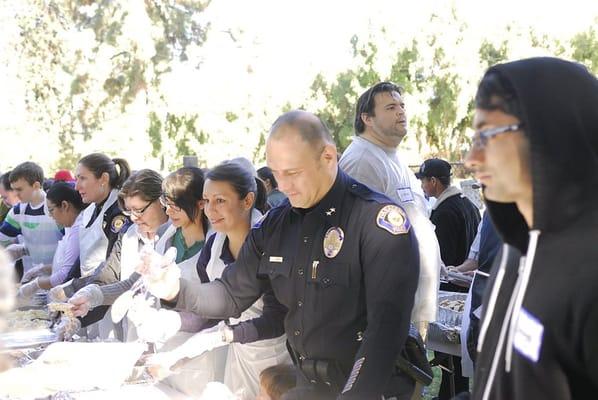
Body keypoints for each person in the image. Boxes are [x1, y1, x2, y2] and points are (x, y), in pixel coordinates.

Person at [141, 110, 420, 400]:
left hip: (370, 388)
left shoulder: (376, 222)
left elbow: (385, 331)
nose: (282, 185)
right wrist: (175, 290)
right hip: (309, 385)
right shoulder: (276, 226)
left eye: (292, 173)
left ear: (328, 157)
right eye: (275, 173)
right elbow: (231, 294)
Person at [461, 57, 598, 400]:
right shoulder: (515, 252)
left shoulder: (589, 274)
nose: (471, 159)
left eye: (487, 135)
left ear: (549, 131)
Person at [153, 160, 289, 399]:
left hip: (273, 360)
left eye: (220, 201)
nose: (210, 210)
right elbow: (214, 305)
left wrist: (219, 336)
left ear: (247, 201)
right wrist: (177, 329)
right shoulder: (213, 245)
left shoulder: (271, 244)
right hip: (237, 354)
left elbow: (275, 320)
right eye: (206, 201)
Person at [339, 82, 441, 340]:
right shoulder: (362, 160)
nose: (401, 112)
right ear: (367, 119)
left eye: (402, 106)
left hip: (411, 306)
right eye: (391, 107)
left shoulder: (393, 157)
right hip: (386, 313)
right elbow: (354, 241)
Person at [50, 153, 130, 339]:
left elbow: (112, 269)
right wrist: (66, 286)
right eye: (76, 178)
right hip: (85, 301)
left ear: (103, 179)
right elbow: (84, 257)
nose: (76, 186)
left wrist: (71, 289)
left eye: (82, 178)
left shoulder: (118, 213)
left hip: (108, 305)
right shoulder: (90, 210)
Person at [16, 182, 85, 301]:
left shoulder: (77, 229)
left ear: (64, 205)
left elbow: (65, 275)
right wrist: (43, 269)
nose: (51, 216)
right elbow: (67, 264)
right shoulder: (70, 227)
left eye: (51, 210)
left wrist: (35, 284)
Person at [0, 162, 63, 277]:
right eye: (13, 189)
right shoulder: (17, 211)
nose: (15, 194)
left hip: (57, 281)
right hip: (29, 281)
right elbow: (2, 239)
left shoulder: (56, 208)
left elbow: (72, 246)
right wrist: (21, 249)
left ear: (36, 186)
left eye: (19, 189)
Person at [416, 158, 481, 270]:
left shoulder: (444, 213)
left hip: (452, 281)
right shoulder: (468, 204)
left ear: (433, 181)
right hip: (467, 279)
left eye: (423, 181)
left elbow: (443, 259)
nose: (422, 186)